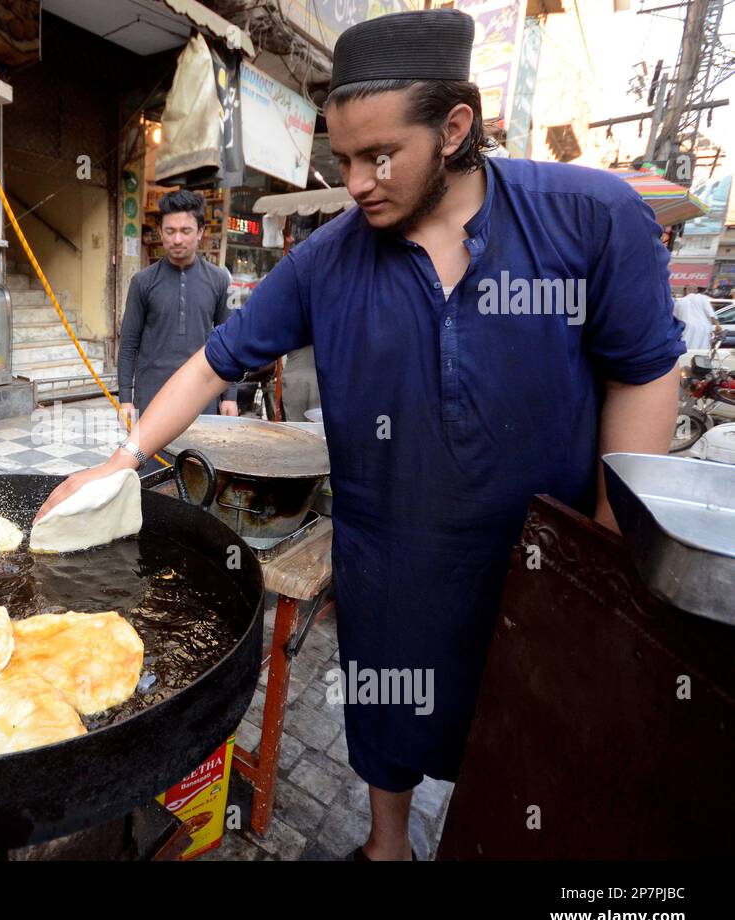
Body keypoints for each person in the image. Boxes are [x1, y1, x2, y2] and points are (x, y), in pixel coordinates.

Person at [37, 8, 683, 861]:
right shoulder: (326, 261)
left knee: (522, 729)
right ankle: (387, 847)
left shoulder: (588, 219)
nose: (359, 181)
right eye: (342, 159)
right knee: (385, 715)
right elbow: (211, 364)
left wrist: (601, 558)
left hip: (534, 561)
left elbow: (644, 370)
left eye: (379, 155)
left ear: (454, 127)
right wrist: (118, 461)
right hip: (389, 554)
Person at [116, 189, 237, 427]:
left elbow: (229, 341)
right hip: (152, 393)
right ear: (160, 232)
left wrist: (229, 396)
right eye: (170, 231)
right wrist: (125, 399)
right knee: (152, 462)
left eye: (186, 231)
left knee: (198, 461)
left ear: (200, 232)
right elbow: (129, 342)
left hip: (202, 392)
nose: (177, 239)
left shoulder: (219, 280)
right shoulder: (143, 281)